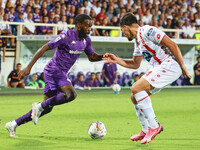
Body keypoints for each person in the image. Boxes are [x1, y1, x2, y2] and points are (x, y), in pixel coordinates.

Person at [5, 14, 104, 137]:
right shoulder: (66, 36)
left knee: (47, 108)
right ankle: (38, 106)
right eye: (87, 26)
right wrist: (29, 67)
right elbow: (44, 48)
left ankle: (13, 124)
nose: (90, 29)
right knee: (71, 94)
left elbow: (92, 56)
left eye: (91, 26)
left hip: (60, 72)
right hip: (54, 70)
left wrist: (104, 57)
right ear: (79, 25)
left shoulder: (86, 40)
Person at [103, 13, 190, 144]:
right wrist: (117, 60)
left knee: (136, 87)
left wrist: (183, 66)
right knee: (134, 96)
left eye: (122, 31)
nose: (123, 34)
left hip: (170, 64)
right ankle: (145, 129)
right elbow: (135, 64)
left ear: (126, 27)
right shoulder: (137, 42)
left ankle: (155, 126)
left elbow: (172, 45)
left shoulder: (147, 31)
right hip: (160, 67)